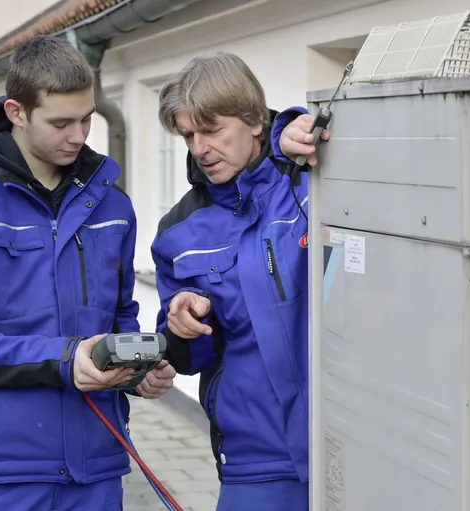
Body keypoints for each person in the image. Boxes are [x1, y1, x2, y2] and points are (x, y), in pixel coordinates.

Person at [0, 35, 176, 511]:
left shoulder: (112, 206)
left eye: (87, 118)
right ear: (16, 112)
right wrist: (63, 359)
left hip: (96, 468)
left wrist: (136, 371)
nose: (79, 135)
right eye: (61, 122)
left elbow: (119, 317)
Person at [149, 52, 328, 511]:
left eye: (211, 130)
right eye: (188, 134)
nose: (198, 148)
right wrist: (179, 324)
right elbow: (186, 360)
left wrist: (294, 126)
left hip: (348, 441)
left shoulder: (311, 182)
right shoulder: (178, 233)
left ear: (254, 121)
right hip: (255, 460)